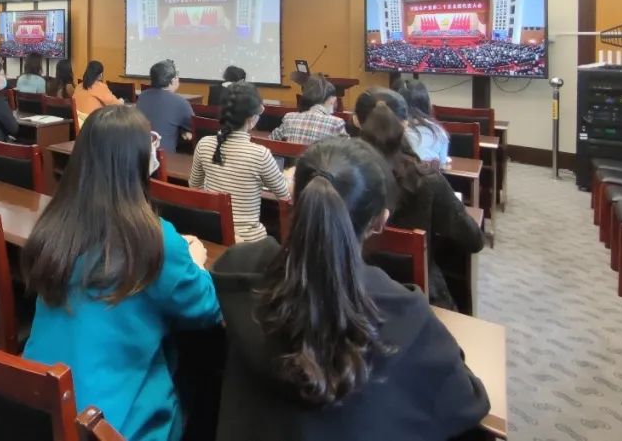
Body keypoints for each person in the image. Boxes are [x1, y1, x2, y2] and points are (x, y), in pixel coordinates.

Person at [210, 136, 489, 441]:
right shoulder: (404, 311)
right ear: (380, 221)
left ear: (293, 200)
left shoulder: (239, 266)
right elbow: (465, 398)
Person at [23, 105, 222, 441]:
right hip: (109, 426)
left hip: (36, 405)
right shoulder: (156, 240)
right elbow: (207, 310)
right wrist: (197, 261)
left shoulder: (53, 223)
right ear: (138, 161)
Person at [355, 88, 483, 309]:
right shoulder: (426, 180)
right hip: (416, 297)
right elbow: (474, 239)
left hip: (354, 290)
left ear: (356, 120)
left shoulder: (341, 171)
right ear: (405, 124)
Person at [190, 82, 290, 242]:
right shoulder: (260, 154)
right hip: (249, 242)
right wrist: (290, 176)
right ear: (251, 119)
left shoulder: (204, 144)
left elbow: (195, 186)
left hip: (214, 234)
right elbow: (285, 196)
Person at [271, 74, 347, 145]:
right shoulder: (336, 123)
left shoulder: (289, 118)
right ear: (331, 100)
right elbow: (349, 151)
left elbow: (271, 140)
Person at [136, 59, 193, 153]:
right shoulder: (181, 102)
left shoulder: (142, 96)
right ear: (172, 80)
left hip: (139, 153)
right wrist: (183, 131)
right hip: (164, 157)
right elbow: (195, 129)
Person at [399, 79, 450, 163]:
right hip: (432, 171)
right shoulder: (439, 131)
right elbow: (443, 162)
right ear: (426, 102)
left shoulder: (395, 130)